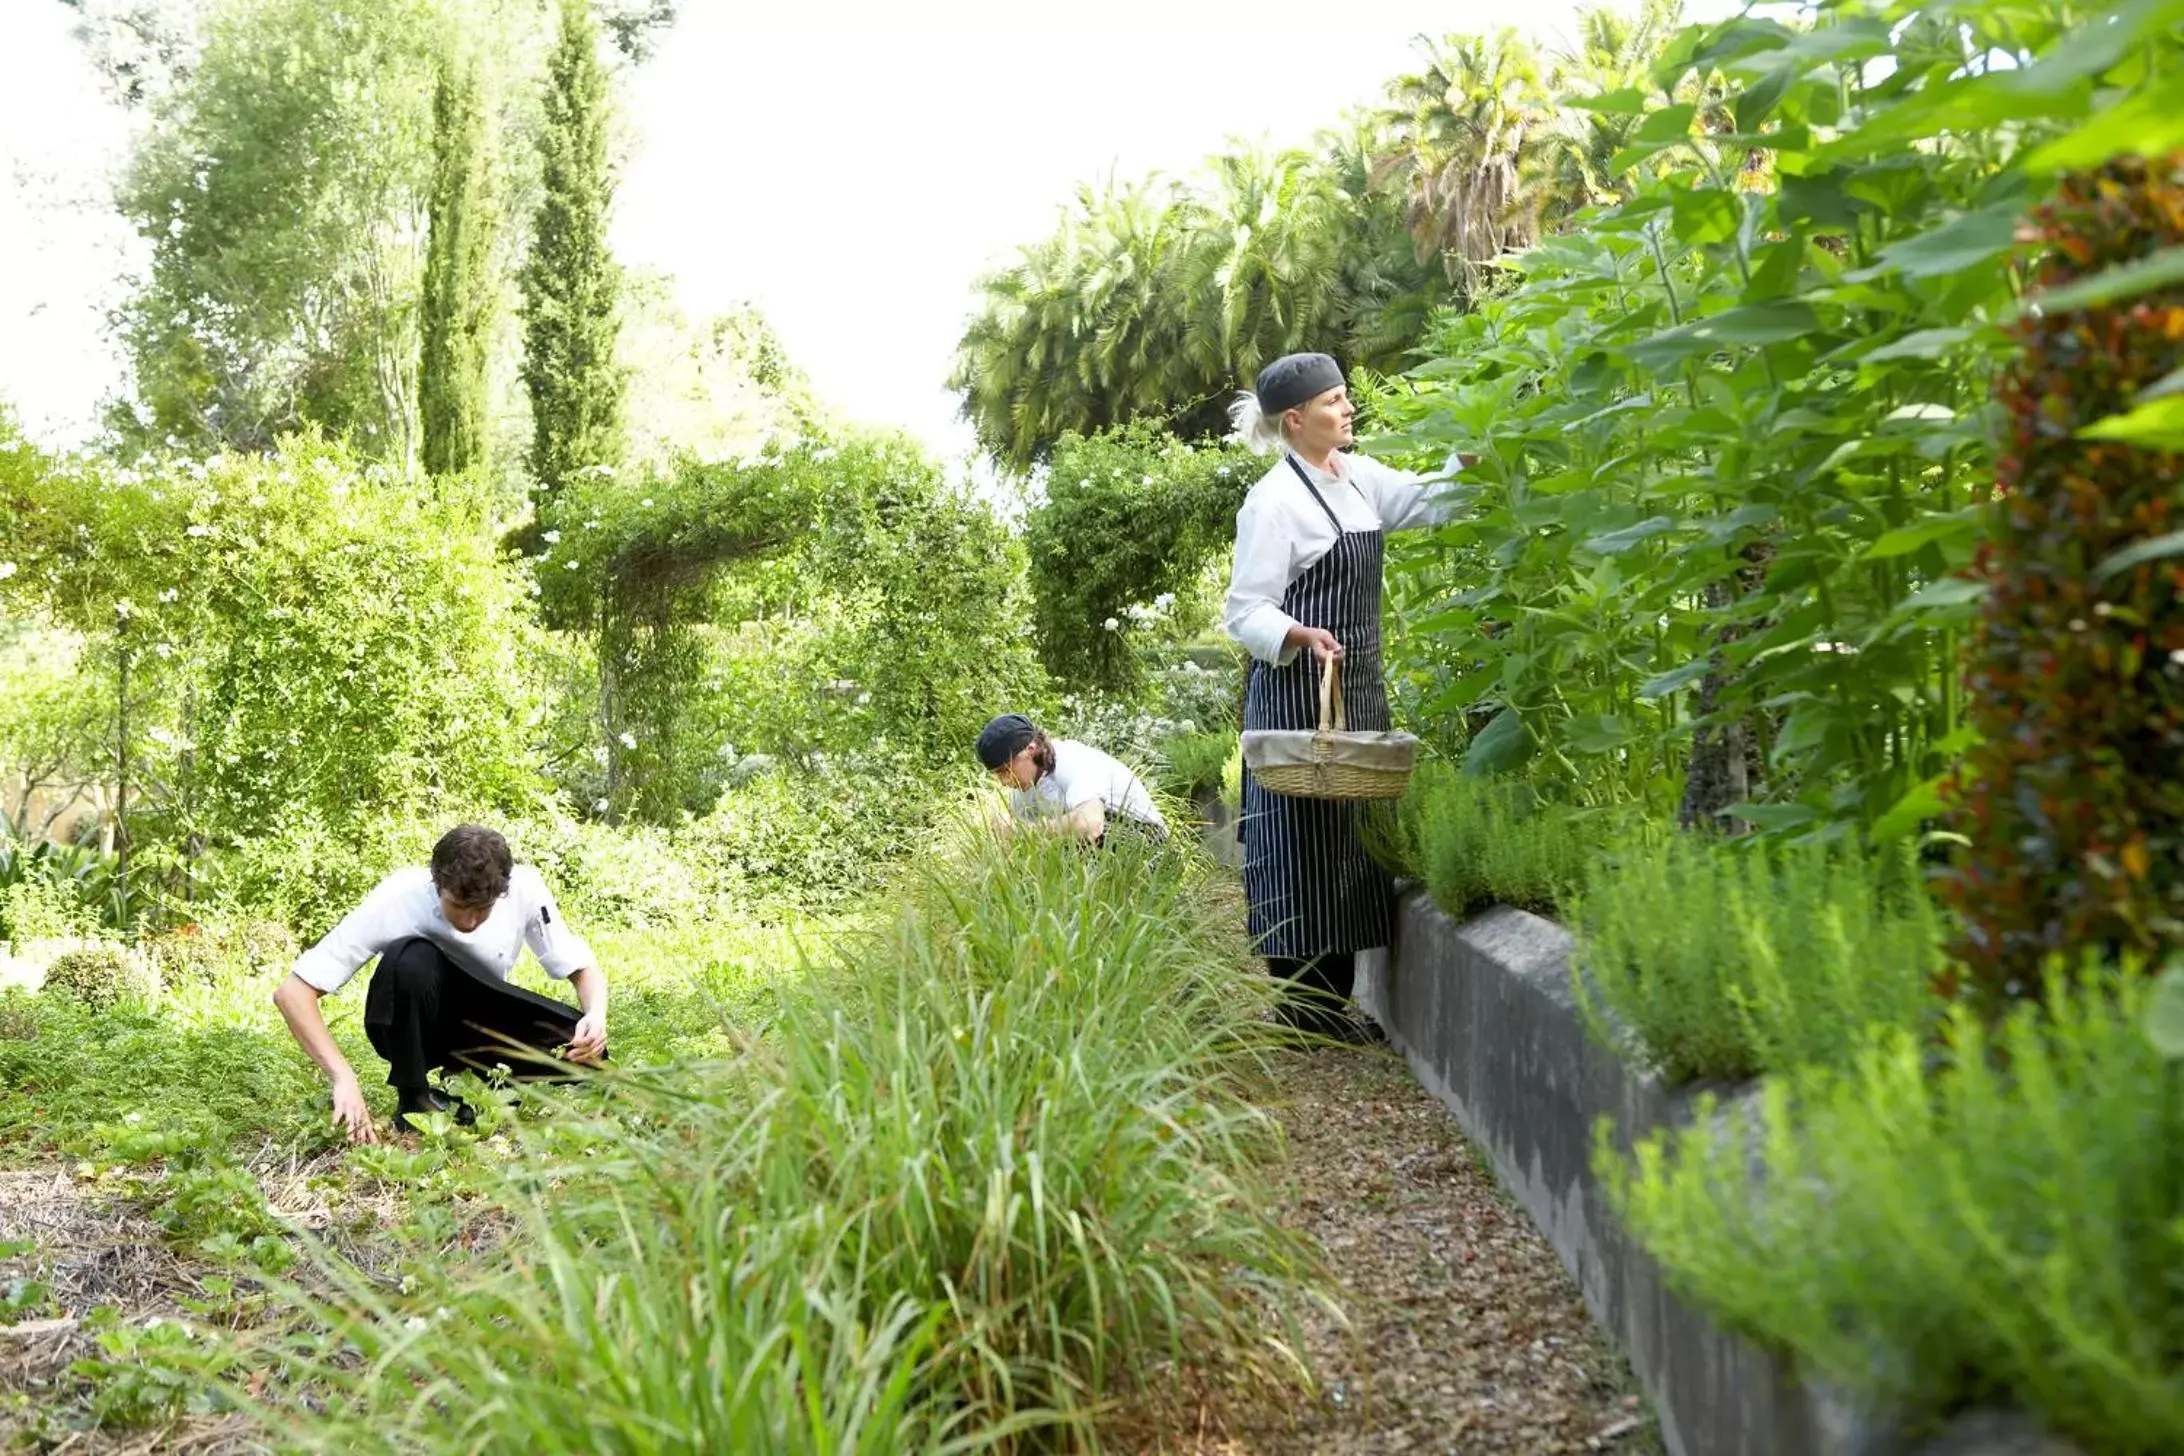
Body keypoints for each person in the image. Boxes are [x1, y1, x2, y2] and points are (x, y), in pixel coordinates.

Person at [1224, 352, 1462, 1040]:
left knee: (1351, 847)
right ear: (1295, 420)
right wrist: (1298, 632)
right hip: (1295, 697)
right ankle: (1307, 1009)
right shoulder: (1273, 502)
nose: (1348, 408)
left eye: (1345, 397)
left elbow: (1428, 499)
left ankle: (1335, 1005)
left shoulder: (1355, 479)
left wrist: (1475, 453)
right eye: (1333, 401)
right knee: (1296, 848)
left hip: (1355, 691)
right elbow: (1244, 611)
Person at [271, 824, 608, 1143]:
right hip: (411, 1024)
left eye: (482, 909)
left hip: (482, 1016)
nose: (470, 920)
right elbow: (293, 994)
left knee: (586, 1051)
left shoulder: (526, 889)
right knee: (410, 957)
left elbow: (582, 968)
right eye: (458, 906)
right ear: (436, 885)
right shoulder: (399, 895)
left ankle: (475, 1088)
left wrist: (595, 1014)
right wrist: (343, 1076)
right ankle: (414, 1099)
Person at [976, 713, 1169, 848]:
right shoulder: (1020, 796)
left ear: (1031, 748)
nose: (1003, 781)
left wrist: (1025, 832)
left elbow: (1090, 825)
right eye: (997, 774)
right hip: (1103, 852)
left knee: (1075, 839)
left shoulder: (1071, 761)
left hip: (1150, 843)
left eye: (1005, 770)